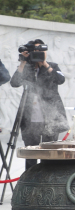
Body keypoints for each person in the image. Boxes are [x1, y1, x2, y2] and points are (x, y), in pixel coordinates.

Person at [11, 39, 67, 170]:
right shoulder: (27, 67)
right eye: (35, 51)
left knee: (49, 155)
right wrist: (23, 62)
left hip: (50, 117)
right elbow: (14, 83)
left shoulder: (52, 66)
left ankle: (48, 183)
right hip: (30, 117)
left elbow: (60, 79)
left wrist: (45, 64)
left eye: (42, 50)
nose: (39, 53)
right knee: (31, 155)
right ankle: (30, 183)